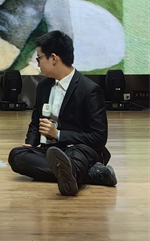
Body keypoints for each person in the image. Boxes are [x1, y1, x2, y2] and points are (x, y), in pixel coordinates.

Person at [8, 31, 117, 196]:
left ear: (53, 58)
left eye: (39, 58)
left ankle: (72, 171)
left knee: (76, 155)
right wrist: (30, 143)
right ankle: (91, 175)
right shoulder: (43, 86)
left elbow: (98, 138)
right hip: (51, 150)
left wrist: (58, 134)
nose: (37, 64)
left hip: (80, 149)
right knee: (17, 155)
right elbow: (36, 120)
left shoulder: (90, 90)